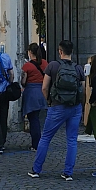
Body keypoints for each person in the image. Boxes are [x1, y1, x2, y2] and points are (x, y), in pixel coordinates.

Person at [28, 40, 85, 180]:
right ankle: (68, 172)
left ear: (60, 51)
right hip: (74, 107)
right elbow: (82, 89)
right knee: (72, 140)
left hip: (57, 106)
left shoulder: (53, 66)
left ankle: (36, 170)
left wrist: (49, 100)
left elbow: (44, 87)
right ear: (72, 52)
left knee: (46, 138)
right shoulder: (78, 68)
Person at [20, 43, 48, 152]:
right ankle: (41, 141)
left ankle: (36, 144)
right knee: (39, 118)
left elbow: (23, 82)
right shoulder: (45, 63)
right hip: (42, 91)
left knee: (33, 119)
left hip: (31, 93)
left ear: (30, 52)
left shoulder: (27, 66)